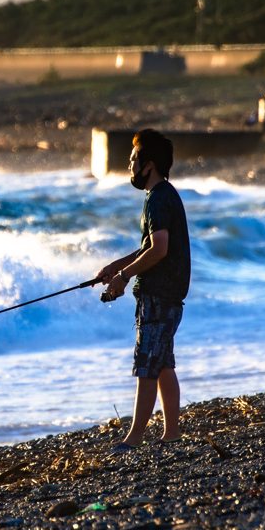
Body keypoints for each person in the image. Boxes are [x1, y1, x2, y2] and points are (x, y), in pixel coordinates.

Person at [97, 129, 191, 452]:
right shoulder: (167, 194)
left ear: (148, 165)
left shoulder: (157, 198)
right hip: (170, 295)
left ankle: (134, 437)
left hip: (159, 296)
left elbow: (159, 249)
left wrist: (122, 277)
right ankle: (171, 432)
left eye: (134, 159)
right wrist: (116, 267)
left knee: (148, 364)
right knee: (163, 363)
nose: (129, 164)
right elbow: (150, 247)